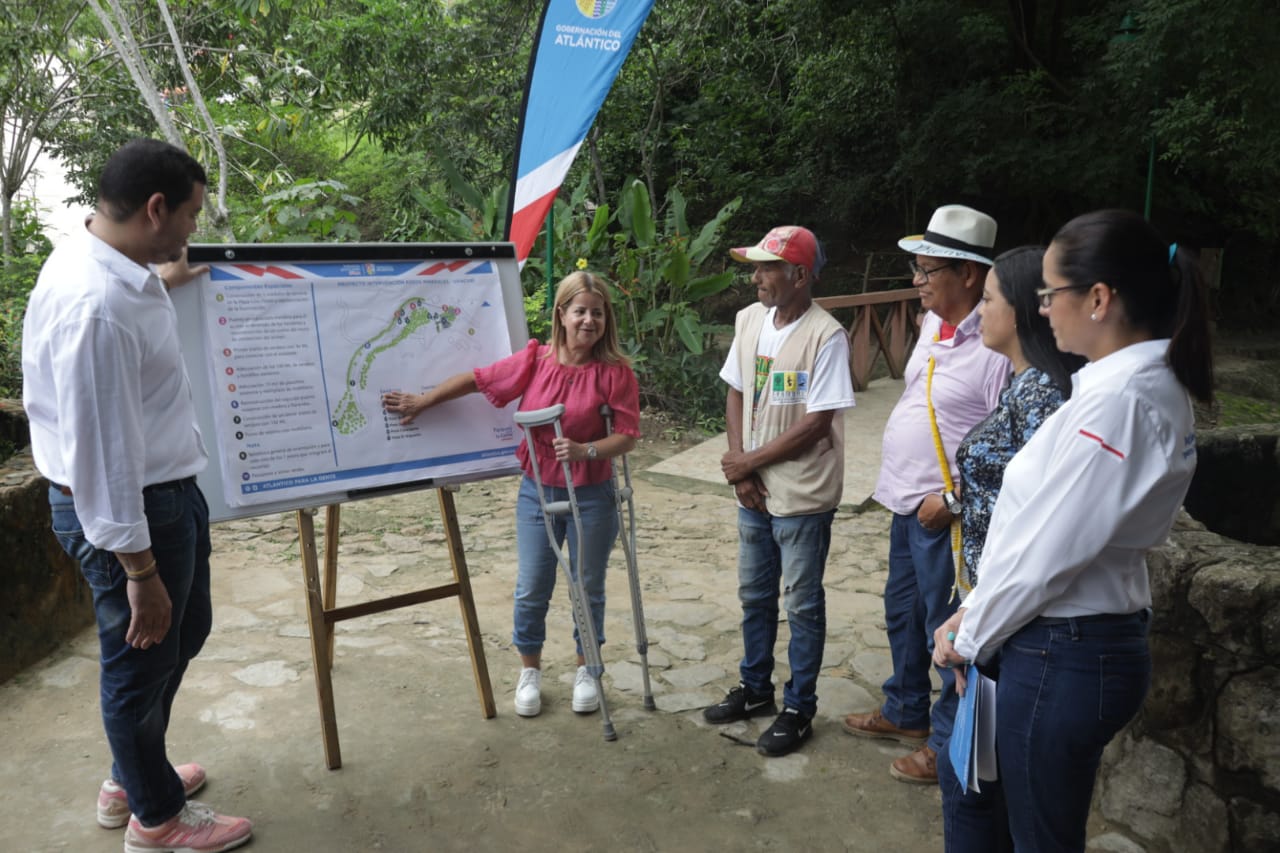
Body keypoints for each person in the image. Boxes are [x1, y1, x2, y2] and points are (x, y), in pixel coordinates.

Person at [933, 209, 1214, 853]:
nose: (1043, 309)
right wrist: (973, 609)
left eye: (1048, 294)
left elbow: (1048, 556)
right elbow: (1037, 530)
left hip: (1064, 648)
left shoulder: (1120, 403)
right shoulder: (1115, 389)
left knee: (1041, 838)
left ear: (1098, 298)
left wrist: (968, 636)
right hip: (1059, 641)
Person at [21, 139, 253, 852]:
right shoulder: (97, 309)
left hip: (164, 492)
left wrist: (170, 281)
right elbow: (103, 458)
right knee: (140, 657)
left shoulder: (113, 263)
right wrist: (140, 570)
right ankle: (153, 816)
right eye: (189, 215)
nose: (192, 230)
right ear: (156, 209)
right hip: (133, 511)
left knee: (186, 630)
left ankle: (136, 767)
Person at [382, 270, 639, 718]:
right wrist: (424, 402)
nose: (588, 321)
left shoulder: (614, 373)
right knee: (532, 586)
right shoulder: (535, 360)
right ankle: (530, 671)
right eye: (580, 311)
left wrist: (586, 449)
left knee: (587, 587)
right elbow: (477, 380)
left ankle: (587, 668)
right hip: (537, 492)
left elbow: (628, 435)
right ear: (561, 314)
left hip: (593, 493)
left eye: (597, 313)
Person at [842, 205, 1009, 784]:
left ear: (967, 275)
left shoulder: (996, 347)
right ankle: (905, 710)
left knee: (948, 629)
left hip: (946, 515)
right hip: (905, 502)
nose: (916, 281)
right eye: (915, 269)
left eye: (926, 270)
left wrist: (955, 498)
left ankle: (945, 742)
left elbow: (1006, 441)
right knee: (903, 615)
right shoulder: (929, 327)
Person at [934, 245, 1084, 850]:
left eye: (989, 300)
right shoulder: (1024, 385)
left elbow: (1042, 528)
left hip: (1003, 625)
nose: (979, 312)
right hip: (985, 612)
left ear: (1021, 310)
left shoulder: (1045, 394)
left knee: (973, 787)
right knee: (968, 775)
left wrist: (979, 631)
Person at [702, 225, 855, 757]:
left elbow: (817, 423)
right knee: (755, 596)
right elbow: (736, 393)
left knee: (804, 604)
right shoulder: (748, 322)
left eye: (767, 267)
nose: (757, 277)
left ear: (799, 275)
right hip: (754, 491)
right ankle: (755, 688)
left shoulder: (826, 335)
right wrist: (742, 471)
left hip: (802, 494)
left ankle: (798, 707)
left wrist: (749, 462)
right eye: (756, 266)